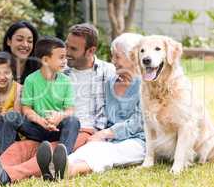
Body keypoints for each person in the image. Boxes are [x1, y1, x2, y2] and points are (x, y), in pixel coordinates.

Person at [0, 23, 115, 186]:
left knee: (51, 150)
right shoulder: (58, 72)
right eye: (65, 49)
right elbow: (24, 101)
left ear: (91, 50)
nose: (67, 55)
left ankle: (6, 176)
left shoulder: (107, 72)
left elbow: (120, 106)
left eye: (72, 50)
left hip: (80, 130)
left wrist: (107, 132)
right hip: (42, 127)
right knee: (20, 148)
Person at [44, 33, 145, 178]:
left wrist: (106, 133)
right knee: (89, 148)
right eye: (112, 56)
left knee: (108, 154)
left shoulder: (145, 86)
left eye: (117, 57)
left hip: (138, 140)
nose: (113, 61)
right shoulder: (110, 83)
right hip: (110, 138)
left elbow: (139, 122)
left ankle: (69, 170)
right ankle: (54, 166)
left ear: (133, 57)